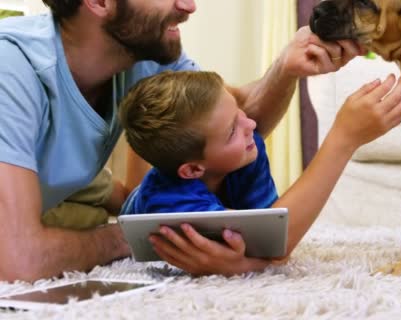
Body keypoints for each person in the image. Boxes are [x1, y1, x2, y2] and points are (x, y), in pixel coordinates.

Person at [0, 0, 371, 282]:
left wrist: (287, 66)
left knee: (101, 199)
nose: (189, 5)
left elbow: (225, 123)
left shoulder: (143, 54)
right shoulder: (11, 69)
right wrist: (139, 235)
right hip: (40, 203)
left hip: (64, 190)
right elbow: (18, 259)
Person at [118, 70, 401, 276]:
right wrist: (343, 138)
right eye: (232, 130)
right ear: (193, 169)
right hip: (140, 214)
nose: (251, 126)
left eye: (239, 112)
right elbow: (272, 252)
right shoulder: (170, 202)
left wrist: (254, 259)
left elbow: (271, 234)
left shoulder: (247, 151)